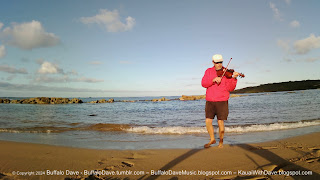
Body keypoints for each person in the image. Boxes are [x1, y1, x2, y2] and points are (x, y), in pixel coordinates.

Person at [201, 54, 239, 148]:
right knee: (208, 121)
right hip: (210, 100)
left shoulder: (227, 72)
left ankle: (221, 142)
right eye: (217, 62)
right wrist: (213, 80)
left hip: (222, 100)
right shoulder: (208, 71)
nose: (219, 64)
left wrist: (234, 78)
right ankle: (212, 139)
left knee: (220, 122)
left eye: (221, 62)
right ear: (213, 62)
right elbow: (203, 83)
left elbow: (231, 88)